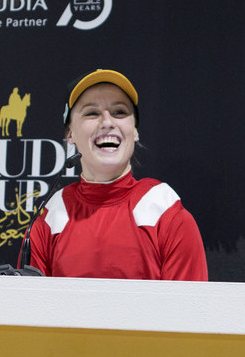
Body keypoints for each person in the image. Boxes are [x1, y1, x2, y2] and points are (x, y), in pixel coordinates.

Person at [29, 69, 207, 280]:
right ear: (70, 134)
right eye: (91, 113)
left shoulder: (167, 215)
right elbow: (33, 310)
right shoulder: (49, 218)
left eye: (120, 112)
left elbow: (190, 310)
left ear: (135, 131)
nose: (107, 122)